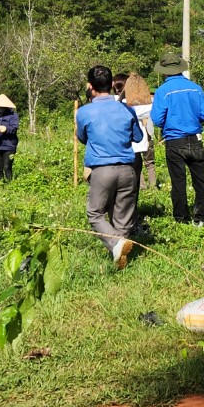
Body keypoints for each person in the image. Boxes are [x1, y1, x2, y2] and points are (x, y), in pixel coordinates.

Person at [75, 64, 142, 269]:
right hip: (128, 169)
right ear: (112, 85)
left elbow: (82, 138)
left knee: (95, 214)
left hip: (102, 170)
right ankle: (121, 256)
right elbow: (138, 137)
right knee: (122, 218)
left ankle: (116, 244)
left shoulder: (84, 112)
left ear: (90, 86)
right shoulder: (126, 109)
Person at [150, 52, 204, 224]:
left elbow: (156, 119)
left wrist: (170, 123)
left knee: (178, 182)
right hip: (195, 138)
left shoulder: (163, 91)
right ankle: (200, 217)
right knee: (200, 180)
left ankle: (181, 218)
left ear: (164, 71)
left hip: (174, 141)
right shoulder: (195, 87)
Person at [123, 72, 158, 193]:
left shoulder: (125, 105)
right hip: (147, 134)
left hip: (136, 138)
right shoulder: (150, 104)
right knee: (150, 163)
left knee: (138, 163)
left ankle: (142, 185)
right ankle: (153, 185)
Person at [0, 94, 20, 182]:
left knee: (7, 167)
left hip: (9, 146)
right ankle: (1, 185)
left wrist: (4, 128)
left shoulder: (13, 115)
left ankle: (10, 185)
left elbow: (14, 129)